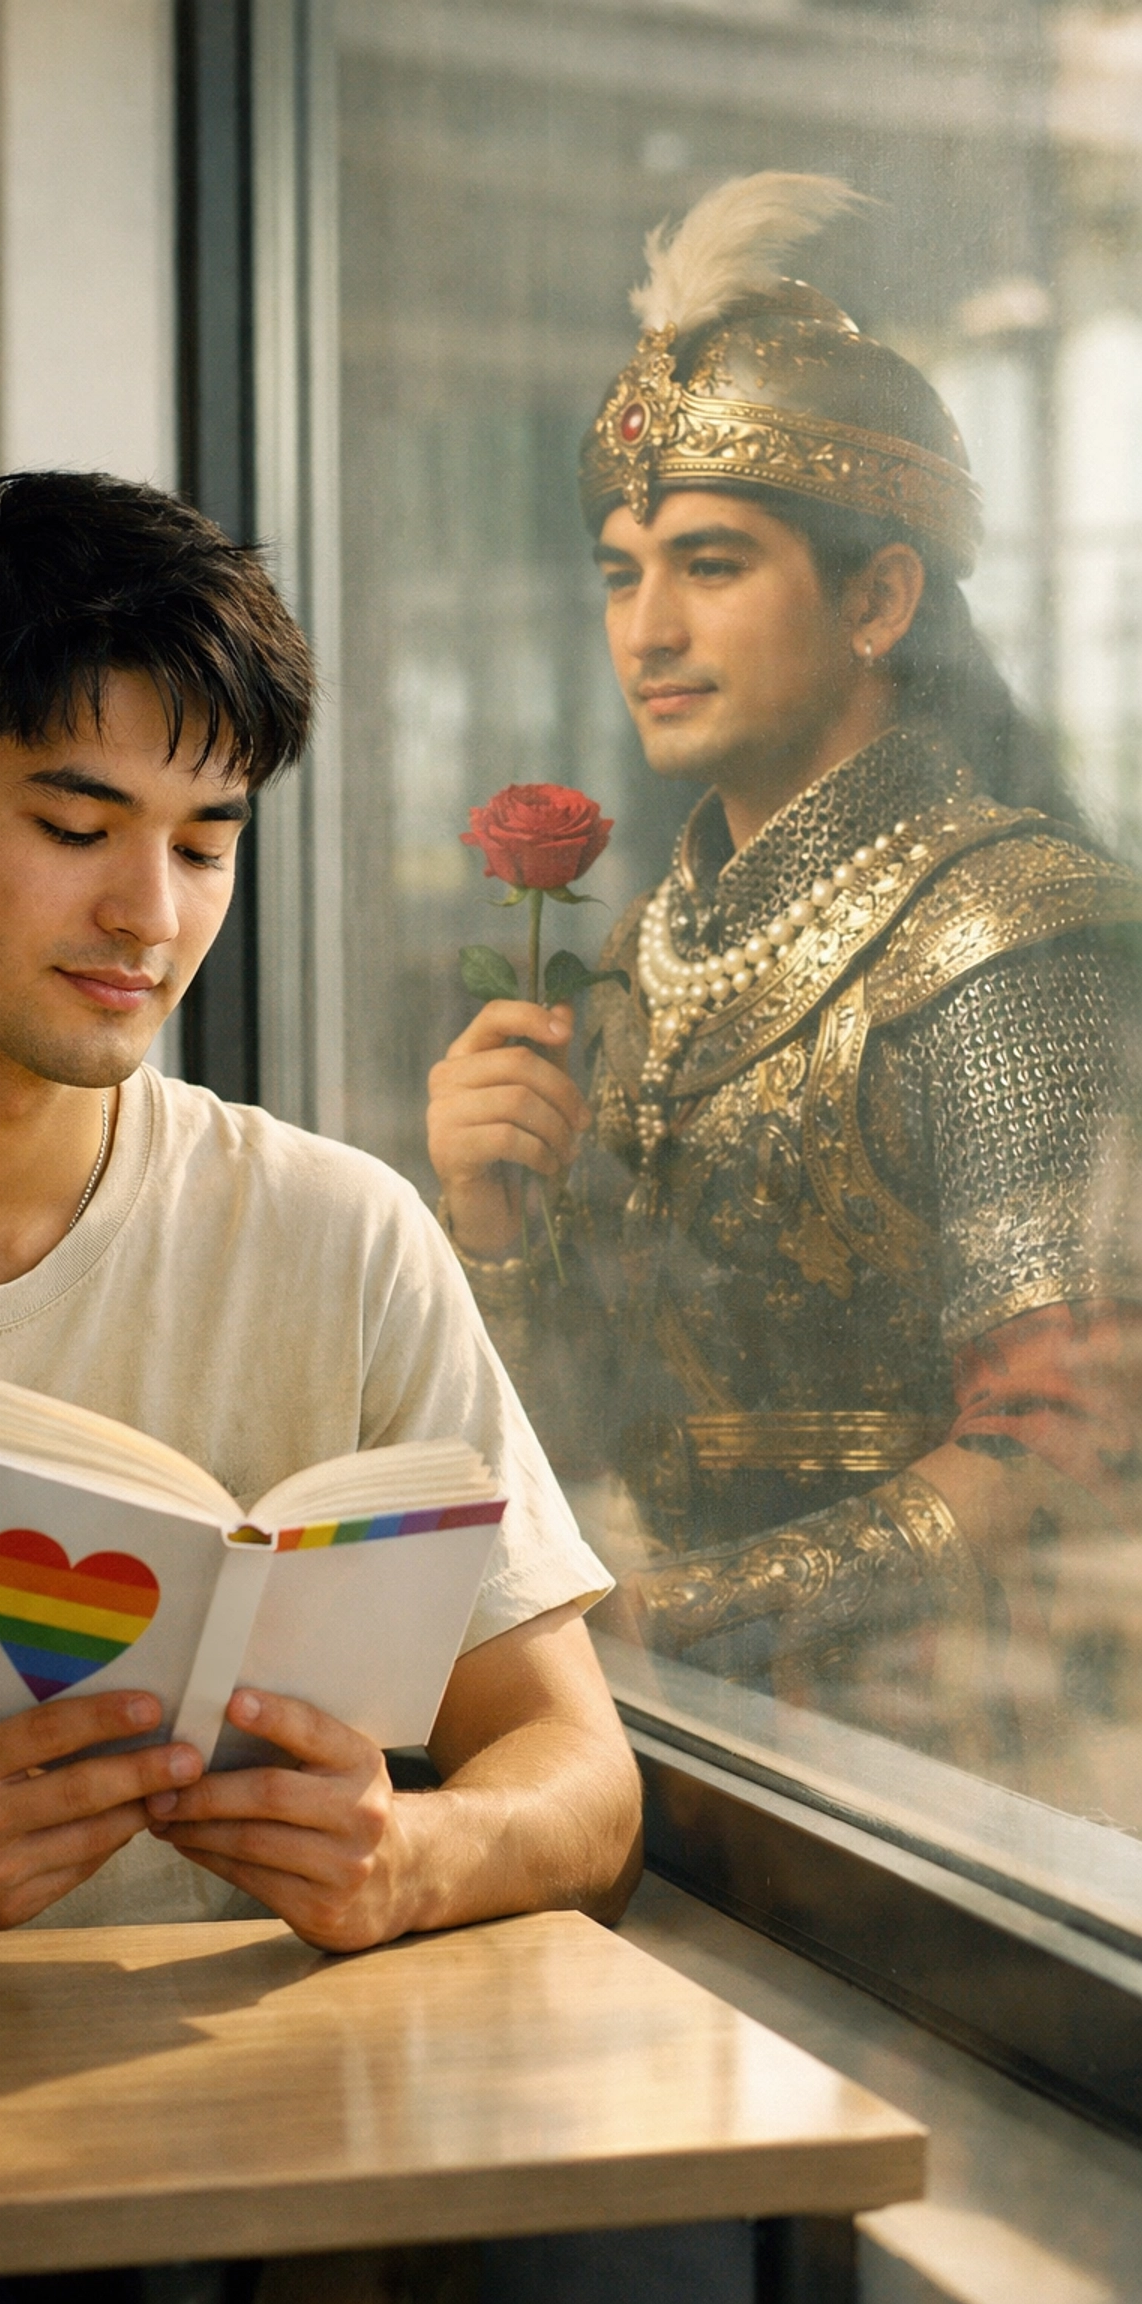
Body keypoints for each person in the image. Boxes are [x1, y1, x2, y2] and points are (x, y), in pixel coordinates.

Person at [0, 471, 640, 1945]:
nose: (152, 915)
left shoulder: (342, 1237)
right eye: (80, 829)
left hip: (243, 2129)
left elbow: (585, 1780)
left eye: (206, 844)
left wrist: (407, 1854)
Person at [427, 175, 1142, 1766]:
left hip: (959, 1762)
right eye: (624, 572)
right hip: (691, 1734)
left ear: (881, 597)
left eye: (713, 564)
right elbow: (597, 1406)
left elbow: (1064, 1443)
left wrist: (671, 1615)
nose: (649, 628)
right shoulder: (645, 952)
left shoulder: (1000, 936)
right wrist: (489, 1228)